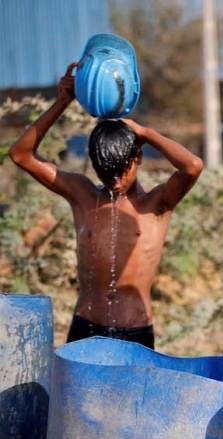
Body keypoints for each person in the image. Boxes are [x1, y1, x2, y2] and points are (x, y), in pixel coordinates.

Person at [9, 63, 203, 349]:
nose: (113, 182)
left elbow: (192, 166)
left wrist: (146, 133)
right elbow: (21, 155)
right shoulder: (82, 195)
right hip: (86, 327)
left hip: (136, 333)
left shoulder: (157, 204)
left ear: (137, 157)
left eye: (120, 171)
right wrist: (61, 103)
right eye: (104, 173)